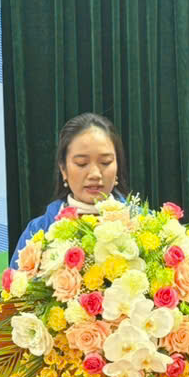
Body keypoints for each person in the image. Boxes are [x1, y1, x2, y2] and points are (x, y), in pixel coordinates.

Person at [12, 112, 129, 265]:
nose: (95, 174)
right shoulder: (38, 231)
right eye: (81, 163)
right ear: (63, 169)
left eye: (106, 162)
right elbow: (15, 279)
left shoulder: (144, 225)